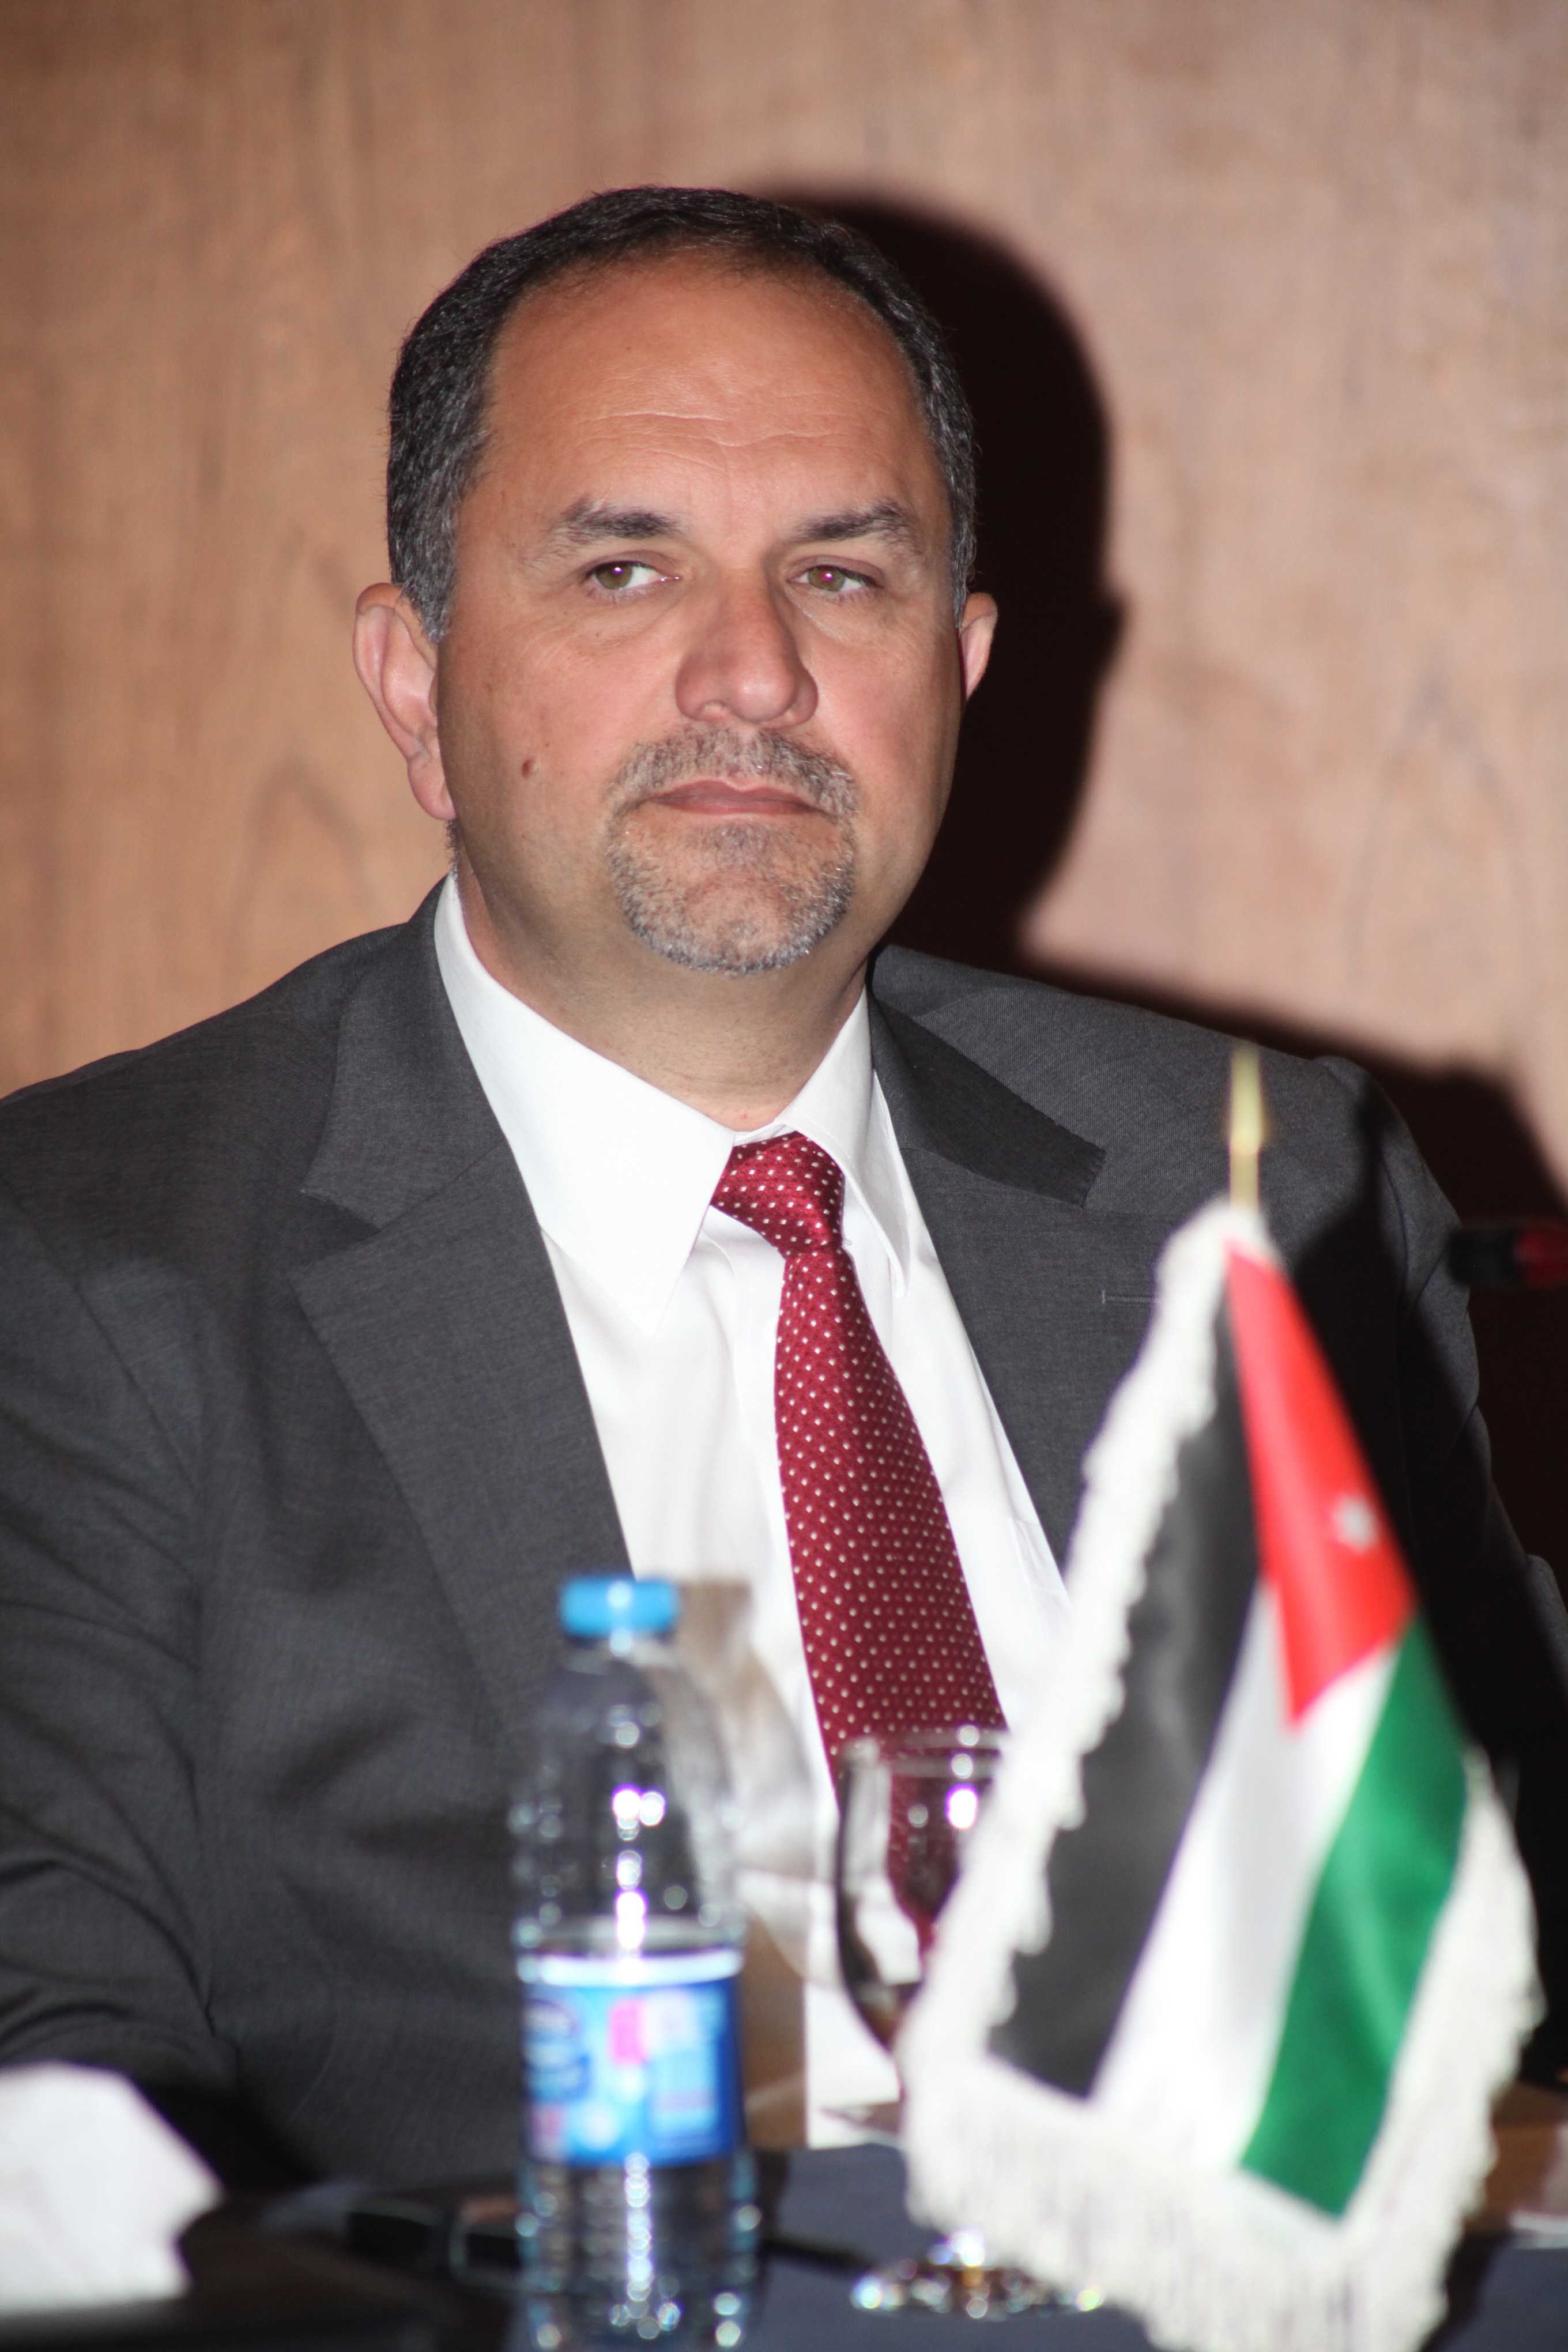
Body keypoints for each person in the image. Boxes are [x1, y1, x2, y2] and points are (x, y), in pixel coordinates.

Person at [1, 187, 1565, 2189]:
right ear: (414, 685)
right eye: (625, 569)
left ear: (960, 666)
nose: (751, 674)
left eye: (841, 575)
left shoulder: (1264, 1184)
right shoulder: (85, 1265)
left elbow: (1512, 1899)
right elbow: (59, 2111)